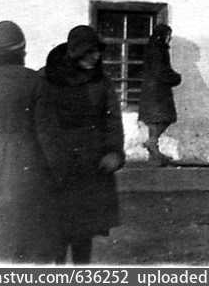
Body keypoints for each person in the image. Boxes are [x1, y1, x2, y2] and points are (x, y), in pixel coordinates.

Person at [0, 21, 62, 263]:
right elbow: (46, 133)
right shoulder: (35, 81)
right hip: (27, 160)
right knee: (28, 230)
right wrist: (58, 171)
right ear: (21, 49)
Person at [37, 25, 125, 265]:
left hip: (91, 164)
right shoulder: (45, 78)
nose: (96, 57)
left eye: (98, 52)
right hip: (55, 164)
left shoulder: (101, 82)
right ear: (73, 52)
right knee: (56, 229)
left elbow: (112, 119)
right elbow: (35, 120)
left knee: (83, 231)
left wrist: (114, 151)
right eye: (89, 52)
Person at [138, 24, 182, 166]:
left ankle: (154, 155)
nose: (170, 38)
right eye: (168, 35)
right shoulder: (158, 50)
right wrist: (176, 78)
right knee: (164, 118)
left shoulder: (152, 47)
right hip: (158, 93)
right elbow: (160, 71)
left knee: (154, 121)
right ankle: (152, 144)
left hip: (151, 92)